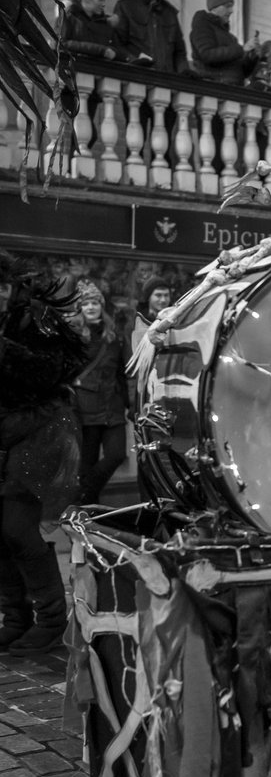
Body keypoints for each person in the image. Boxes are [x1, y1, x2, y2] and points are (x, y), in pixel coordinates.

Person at [0, 253, 87, 657]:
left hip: (42, 431)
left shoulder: (36, 318)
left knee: (17, 527)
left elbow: (53, 372)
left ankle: (51, 619)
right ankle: (15, 619)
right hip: (7, 433)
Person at [71, 280, 129, 505]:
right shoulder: (75, 336)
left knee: (116, 455)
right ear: (80, 308)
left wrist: (129, 404)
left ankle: (83, 494)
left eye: (95, 302)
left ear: (101, 306)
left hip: (112, 407)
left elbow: (122, 373)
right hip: (84, 407)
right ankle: (88, 511)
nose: (91, 307)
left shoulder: (113, 335)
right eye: (86, 303)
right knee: (87, 462)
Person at [113, 0, 189, 74]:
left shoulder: (169, 12)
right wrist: (135, 60)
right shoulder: (125, 7)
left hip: (168, 81)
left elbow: (179, 52)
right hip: (136, 78)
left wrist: (185, 72)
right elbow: (117, 43)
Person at [190, 0, 260, 86]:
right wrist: (242, 49)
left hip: (231, 90)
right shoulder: (202, 26)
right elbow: (207, 55)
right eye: (227, 6)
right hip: (214, 89)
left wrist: (252, 56)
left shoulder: (231, 38)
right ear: (215, 7)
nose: (231, 11)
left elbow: (242, 72)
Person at [60, 0, 128, 62]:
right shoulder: (69, 17)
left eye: (104, 0)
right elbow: (60, 43)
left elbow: (117, 49)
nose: (103, 4)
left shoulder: (105, 23)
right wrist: (101, 50)